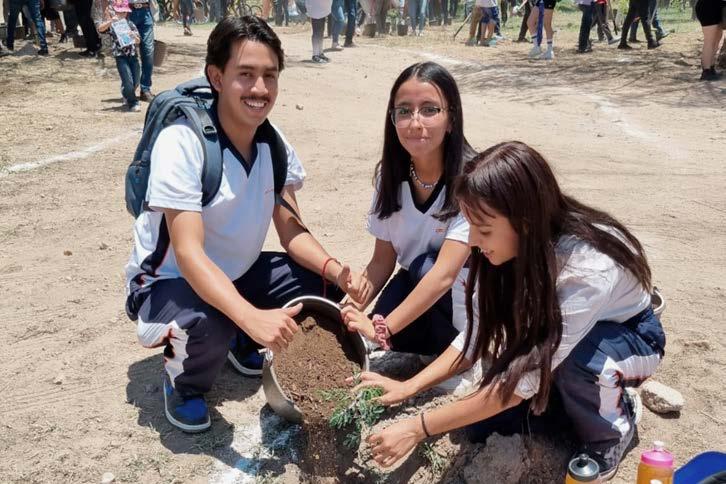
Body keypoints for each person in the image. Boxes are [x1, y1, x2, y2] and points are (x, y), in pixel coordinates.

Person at [355, 141, 665, 482]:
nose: (472, 241)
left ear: (525, 221)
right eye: (469, 225)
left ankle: (611, 428)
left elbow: (518, 384)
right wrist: (409, 387)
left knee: (575, 365)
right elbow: (476, 336)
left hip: (625, 336)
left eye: (484, 230)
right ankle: (575, 405)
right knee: (485, 423)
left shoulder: (587, 268)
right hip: (559, 329)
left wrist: (417, 428)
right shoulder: (505, 252)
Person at [124, 15, 369, 433]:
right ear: (217, 77)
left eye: (270, 76)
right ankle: (183, 383)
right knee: (209, 322)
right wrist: (248, 315)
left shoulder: (273, 143)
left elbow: (291, 230)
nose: (260, 89)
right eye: (246, 75)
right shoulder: (183, 142)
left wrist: (336, 271)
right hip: (169, 282)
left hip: (238, 273)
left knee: (318, 286)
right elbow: (188, 254)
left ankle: (240, 340)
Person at [341, 62, 475, 360]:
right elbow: (382, 261)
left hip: (470, 299)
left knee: (425, 267)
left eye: (429, 110)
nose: (415, 122)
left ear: (451, 119)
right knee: (374, 325)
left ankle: (463, 353)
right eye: (404, 111)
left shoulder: (472, 181)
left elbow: (444, 275)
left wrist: (383, 328)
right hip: (418, 285)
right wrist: (346, 311)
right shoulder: (389, 177)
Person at [98, 0, 141, 111]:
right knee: (127, 80)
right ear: (115, 12)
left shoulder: (130, 24)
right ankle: (133, 102)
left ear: (127, 13)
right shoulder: (112, 25)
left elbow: (138, 41)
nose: (121, 14)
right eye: (119, 12)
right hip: (120, 56)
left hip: (133, 55)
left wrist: (134, 36)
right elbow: (100, 28)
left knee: (136, 79)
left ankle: (126, 93)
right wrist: (110, 21)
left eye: (124, 12)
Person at [127, 0, 155, 101]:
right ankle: (129, 87)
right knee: (128, 52)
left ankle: (145, 89)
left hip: (145, 11)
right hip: (127, 11)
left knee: (148, 52)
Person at [694, 0, 724, 80]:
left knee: (717, 38)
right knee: (709, 40)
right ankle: (706, 71)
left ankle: (711, 68)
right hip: (707, 7)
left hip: (717, 7)